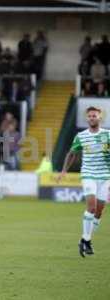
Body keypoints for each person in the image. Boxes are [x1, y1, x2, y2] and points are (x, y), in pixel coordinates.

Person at [57, 106, 110, 258]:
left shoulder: (108, 134)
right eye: (90, 116)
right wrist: (64, 171)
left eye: (95, 116)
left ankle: (86, 239)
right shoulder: (81, 136)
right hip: (88, 175)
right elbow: (72, 154)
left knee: (99, 212)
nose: (92, 118)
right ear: (87, 119)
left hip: (105, 176)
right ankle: (86, 240)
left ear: (100, 118)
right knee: (92, 207)